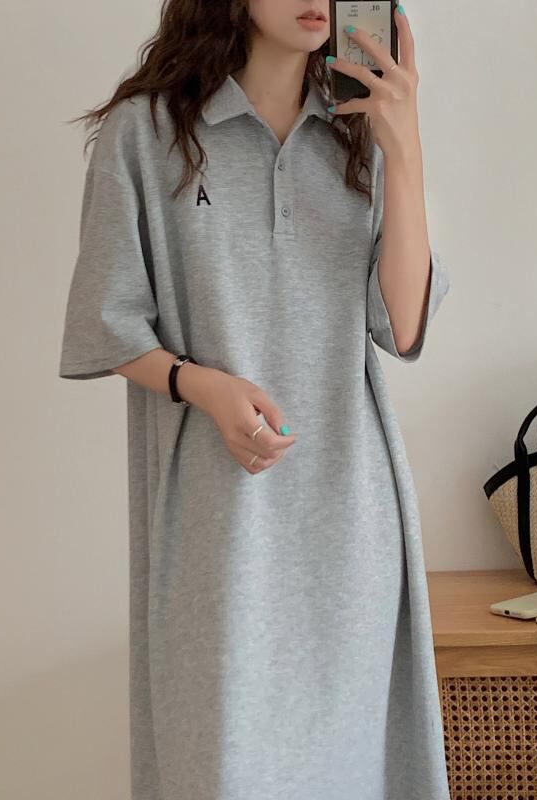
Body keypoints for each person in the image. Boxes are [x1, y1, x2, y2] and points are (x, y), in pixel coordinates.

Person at [58, 1, 452, 799]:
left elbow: (403, 326)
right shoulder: (148, 134)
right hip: (216, 520)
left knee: (357, 770)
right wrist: (203, 384)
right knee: (221, 766)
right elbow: (107, 323)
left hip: (350, 517)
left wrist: (404, 147)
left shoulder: (360, 133)